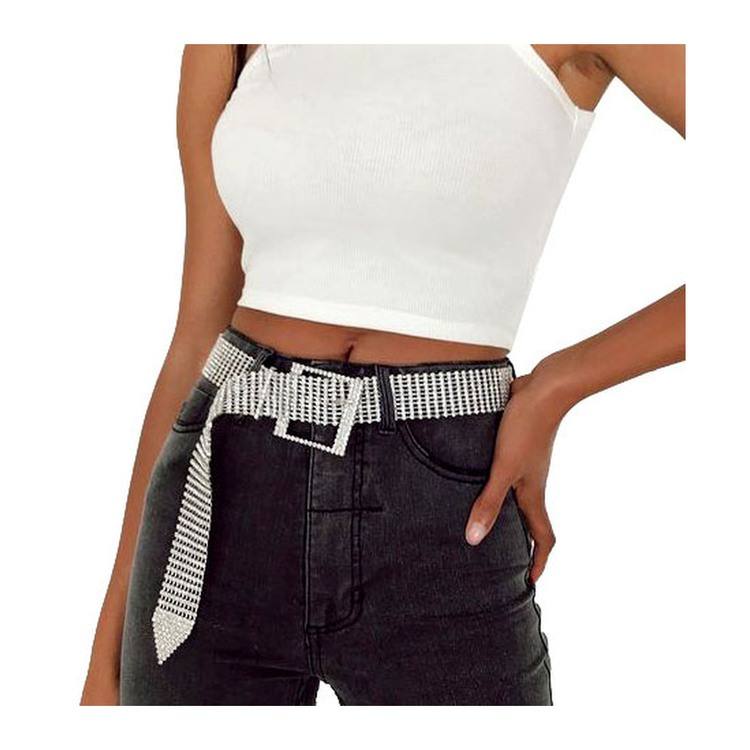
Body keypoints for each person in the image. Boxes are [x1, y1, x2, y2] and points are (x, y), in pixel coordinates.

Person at [81, 44, 685, 705]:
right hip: (218, 496)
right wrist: (108, 647)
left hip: (444, 507)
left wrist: (558, 385)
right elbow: (199, 332)